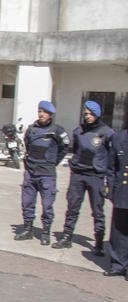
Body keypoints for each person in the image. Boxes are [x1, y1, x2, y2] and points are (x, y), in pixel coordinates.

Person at [53, 101, 114, 253]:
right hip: (78, 175)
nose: (87, 116)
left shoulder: (107, 132)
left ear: (97, 114)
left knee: (97, 211)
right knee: (72, 207)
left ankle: (99, 243)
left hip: (96, 176)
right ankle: (67, 237)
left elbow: (112, 157)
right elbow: (76, 151)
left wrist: (108, 177)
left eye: (91, 114)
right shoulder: (78, 131)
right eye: (86, 114)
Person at [13, 101, 69, 245]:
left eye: (44, 112)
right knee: (27, 202)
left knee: (47, 205)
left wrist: (52, 162)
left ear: (50, 114)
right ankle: (28, 229)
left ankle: (45, 232)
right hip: (31, 172)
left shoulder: (57, 131)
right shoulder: (31, 129)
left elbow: (64, 148)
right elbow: (27, 144)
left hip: (47, 174)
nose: (41, 114)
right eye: (39, 111)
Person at [104, 115, 128, 278]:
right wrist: (111, 190)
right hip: (122, 190)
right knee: (119, 230)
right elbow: (111, 167)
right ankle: (118, 264)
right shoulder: (119, 137)